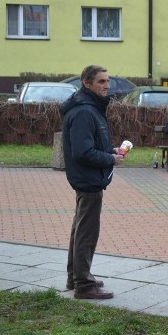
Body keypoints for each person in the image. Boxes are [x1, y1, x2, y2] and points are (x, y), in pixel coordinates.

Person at [60, 65, 125, 300]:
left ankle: (76, 277)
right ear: (86, 83)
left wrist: (110, 150)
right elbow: (82, 152)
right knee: (86, 233)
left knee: (80, 229)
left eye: (107, 81)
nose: (107, 86)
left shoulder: (89, 108)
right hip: (88, 180)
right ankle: (84, 285)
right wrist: (110, 158)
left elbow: (92, 144)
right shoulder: (84, 112)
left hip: (87, 178)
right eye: (101, 82)